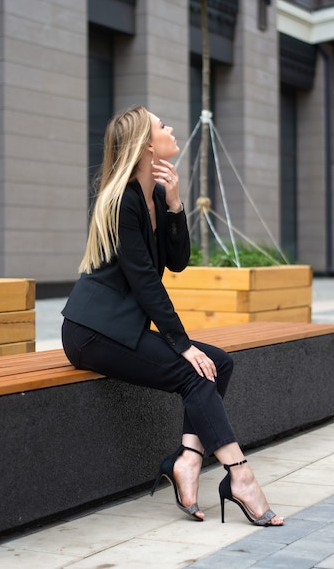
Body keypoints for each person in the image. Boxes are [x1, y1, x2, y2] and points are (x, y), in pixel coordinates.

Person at [61, 105, 283, 527]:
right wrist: (182, 345)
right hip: (92, 331)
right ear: (148, 146)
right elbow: (147, 284)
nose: (171, 128)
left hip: (122, 328)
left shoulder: (158, 195)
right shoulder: (122, 201)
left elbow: (177, 262)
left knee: (219, 361)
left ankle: (188, 461)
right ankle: (241, 475)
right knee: (197, 370)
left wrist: (177, 203)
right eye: (163, 125)